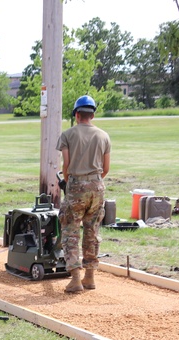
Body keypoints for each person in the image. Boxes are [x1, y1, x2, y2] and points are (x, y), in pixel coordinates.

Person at [57, 94, 111, 293]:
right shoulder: (104, 136)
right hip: (97, 188)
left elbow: (66, 166)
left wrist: (71, 182)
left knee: (71, 232)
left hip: (77, 187)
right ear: (92, 115)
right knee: (92, 232)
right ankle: (90, 277)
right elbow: (106, 168)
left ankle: (75, 280)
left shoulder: (67, 135)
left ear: (77, 115)